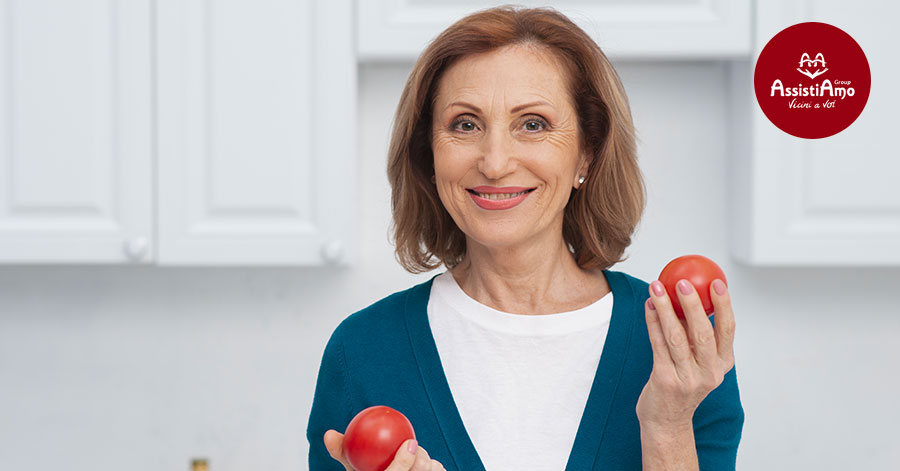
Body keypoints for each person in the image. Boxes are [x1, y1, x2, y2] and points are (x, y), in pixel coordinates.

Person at [307, 6, 743, 471]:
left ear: (587, 155)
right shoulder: (364, 352)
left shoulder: (679, 352)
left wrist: (668, 426)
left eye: (533, 124)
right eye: (465, 124)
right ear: (429, 156)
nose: (495, 162)